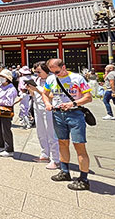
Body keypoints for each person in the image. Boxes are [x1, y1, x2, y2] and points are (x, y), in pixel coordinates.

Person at [42, 58, 93, 191]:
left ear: (64, 67)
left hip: (74, 114)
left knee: (79, 145)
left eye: (57, 71)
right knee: (62, 142)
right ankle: (65, 171)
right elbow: (45, 93)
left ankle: (84, 179)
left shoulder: (77, 78)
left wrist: (73, 103)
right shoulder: (50, 79)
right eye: (52, 72)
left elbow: (88, 97)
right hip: (58, 113)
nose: (56, 74)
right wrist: (47, 103)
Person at [28, 61, 60, 170]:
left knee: (51, 133)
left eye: (39, 71)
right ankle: (44, 154)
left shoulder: (52, 79)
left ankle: (55, 158)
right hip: (37, 107)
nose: (37, 73)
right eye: (35, 71)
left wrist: (36, 89)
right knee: (40, 132)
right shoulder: (36, 79)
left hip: (49, 107)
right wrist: (31, 90)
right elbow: (34, 94)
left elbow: (51, 95)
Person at [0, 69, 18, 157]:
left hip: (5, 111)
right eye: (1, 77)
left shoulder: (11, 89)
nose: (1, 78)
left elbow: (10, 102)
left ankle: (9, 149)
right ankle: (1, 145)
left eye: (3, 77)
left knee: (6, 130)